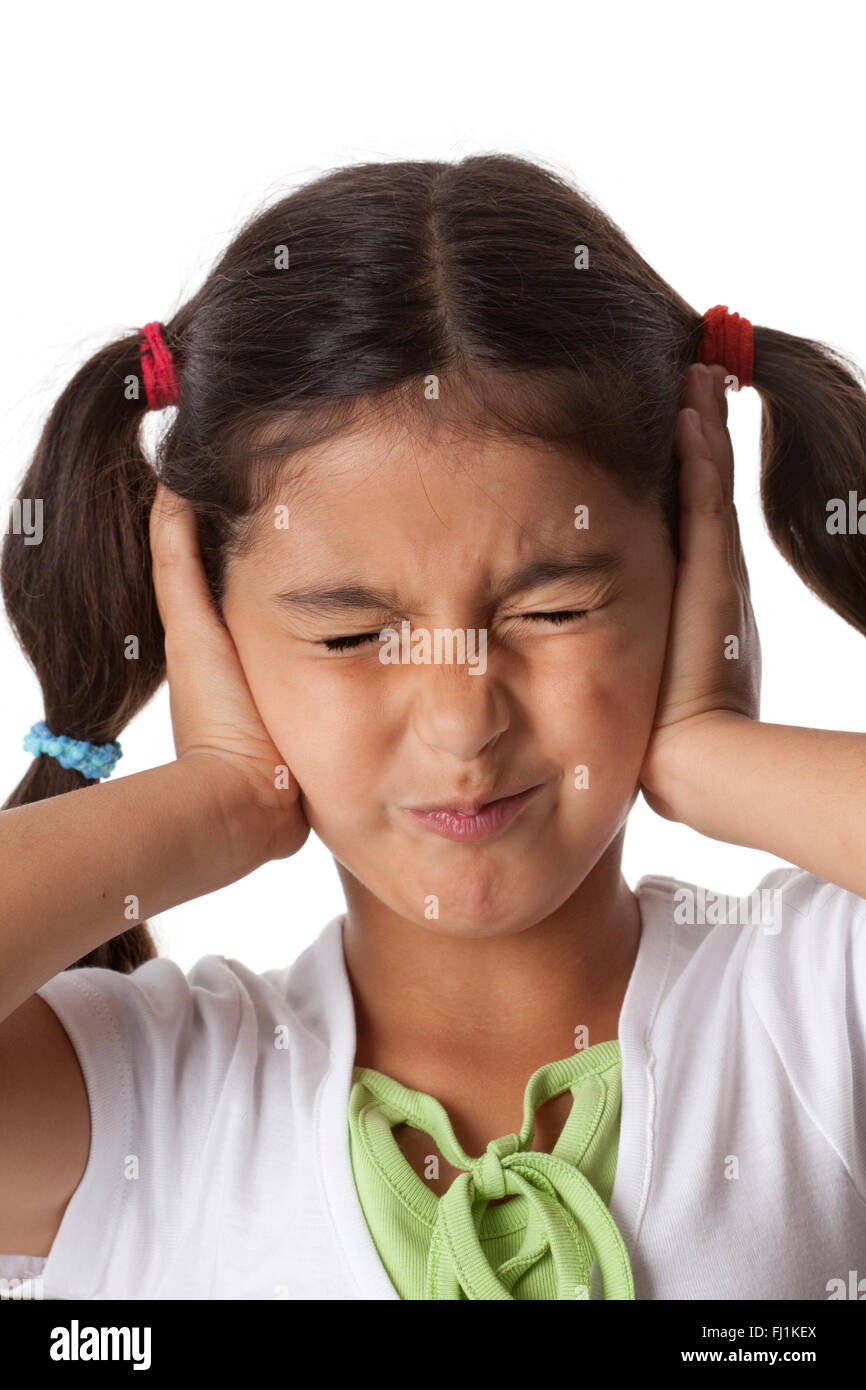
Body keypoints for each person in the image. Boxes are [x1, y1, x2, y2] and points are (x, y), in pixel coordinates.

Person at [0, 154, 864, 1301]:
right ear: (208, 626)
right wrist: (210, 795)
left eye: (551, 610)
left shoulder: (814, 1017)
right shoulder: (131, 1108)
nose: (461, 717)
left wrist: (709, 750)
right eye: (351, 634)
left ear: (693, 569)